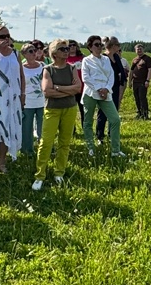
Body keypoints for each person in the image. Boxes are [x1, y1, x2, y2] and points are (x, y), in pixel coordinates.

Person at [33, 39, 82, 190]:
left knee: (64, 142)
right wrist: (69, 89)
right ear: (54, 53)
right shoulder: (48, 69)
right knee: (46, 142)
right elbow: (47, 92)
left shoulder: (72, 68)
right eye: (63, 49)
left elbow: (78, 88)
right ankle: (40, 175)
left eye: (67, 48)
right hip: (52, 110)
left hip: (70, 108)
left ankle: (59, 173)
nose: (66, 51)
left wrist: (59, 88)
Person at [0, 25, 25, 172]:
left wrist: (23, 94)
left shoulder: (15, 53)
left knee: (8, 127)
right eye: (2, 37)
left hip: (13, 97)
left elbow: (21, 75)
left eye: (8, 36)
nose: (6, 39)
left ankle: (2, 161)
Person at [81, 35, 125, 158]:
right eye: (96, 45)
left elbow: (111, 75)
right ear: (90, 47)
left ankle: (115, 150)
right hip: (91, 93)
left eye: (100, 44)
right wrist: (98, 89)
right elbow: (86, 78)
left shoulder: (106, 59)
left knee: (115, 119)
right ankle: (90, 147)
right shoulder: (86, 60)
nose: (99, 47)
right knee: (88, 121)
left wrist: (106, 89)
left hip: (106, 93)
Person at [95, 37, 127, 143]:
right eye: (118, 45)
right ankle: (100, 136)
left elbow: (121, 72)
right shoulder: (103, 58)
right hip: (105, 89)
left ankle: (111, 134)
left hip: (115, 88)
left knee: (114, 113)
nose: (119, 48)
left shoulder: (116, 57)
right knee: (103, 113)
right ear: (113, 46)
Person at [20, 42, 45, 160]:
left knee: (43, 126)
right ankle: (27, 150)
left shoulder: (43, 66)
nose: (34, 53)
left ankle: (44, 149)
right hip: (27, 102)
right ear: (24, 54)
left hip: (42, 101)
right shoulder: (21, 68)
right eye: (30, 51)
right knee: (27, 127)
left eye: (35, 50)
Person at [128, 44, 151, 119]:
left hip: (143, 82)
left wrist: (147, 80)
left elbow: (150, 70)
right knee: (137, 98)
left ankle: (145, 114)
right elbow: (131, 71)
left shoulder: (147, 59)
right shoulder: (134, 60)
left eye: (140, 49)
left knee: (142, 97)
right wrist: (129, 82)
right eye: (137, 49)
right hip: (135, 82)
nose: (139, 50)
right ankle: (139, 113)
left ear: (143, 49)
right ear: (135, 50)